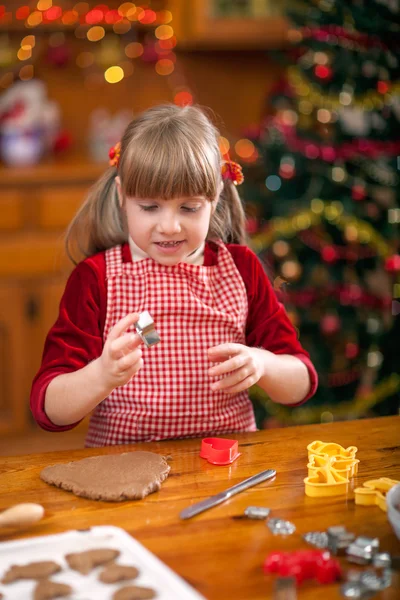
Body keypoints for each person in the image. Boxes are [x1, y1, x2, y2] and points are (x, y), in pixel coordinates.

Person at [30, 104, 318, 447]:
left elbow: (301, 383)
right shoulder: (95, 279)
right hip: (124, 473)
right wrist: (101, 376)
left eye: (189, 207)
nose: (169, 226)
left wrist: (263, 364)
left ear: (215, 198)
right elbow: (48, 408)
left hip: (225, 472)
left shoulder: (241, 270)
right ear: (122, 195)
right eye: (149, 207)